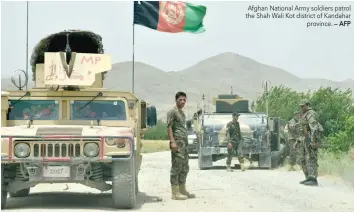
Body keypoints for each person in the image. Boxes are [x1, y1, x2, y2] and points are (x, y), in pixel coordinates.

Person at [167, 91, 195, 200]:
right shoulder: (172, 112)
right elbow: (169, 127)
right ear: (176, 100)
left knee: (185, 167)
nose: (183, 102)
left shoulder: (182, 113)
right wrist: (172, 142)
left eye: (184, 100)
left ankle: (182, 189)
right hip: (177, 143)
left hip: (184, 144)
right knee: (176, 167)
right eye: (180, 100)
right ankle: (175, 193)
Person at [295, 99, 323, 186]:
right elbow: (302, 130)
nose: (301, 107)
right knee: (303, 159)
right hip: (304, 139)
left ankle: (313, 179)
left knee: (311, 159)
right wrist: (297, 141)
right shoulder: (304, 115)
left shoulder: (311, 114)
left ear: (307, 105)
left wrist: (313, 141)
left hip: (310, 140)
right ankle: (308, 178)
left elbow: (314, 128)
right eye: (301, 106)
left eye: (303, 106)